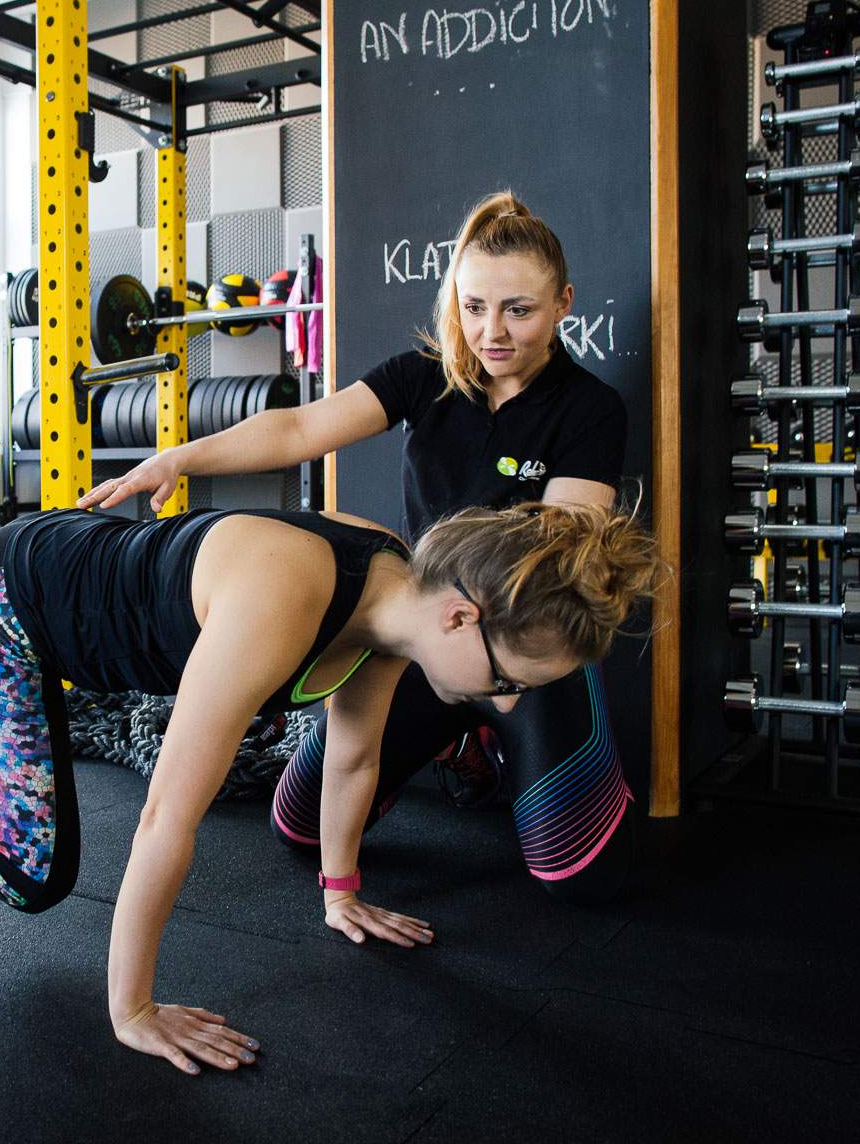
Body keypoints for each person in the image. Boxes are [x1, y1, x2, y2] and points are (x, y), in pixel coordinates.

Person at [0, 501, 659, 1073]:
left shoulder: (394, 588)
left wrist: (342, 894)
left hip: (49, 559)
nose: (511, 708)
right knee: (28, 872)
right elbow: (171, 807)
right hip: (12, 607)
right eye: (515, 684)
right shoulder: (285, 597)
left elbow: (351, 752)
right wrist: (130, 1005)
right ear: (461, 618)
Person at [77, 192, 639, 902]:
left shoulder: (590, 409)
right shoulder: (425, 376)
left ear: (563, 302)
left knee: (577, 875)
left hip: (519, 649)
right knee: (299, 827)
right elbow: (297, 429)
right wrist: (180, 458)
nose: (490, 332)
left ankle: (500, 741)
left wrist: (498, 674)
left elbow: (556, 562)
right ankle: (457, 741)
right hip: (433, 635)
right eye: (472, 307)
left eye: (518, 310)